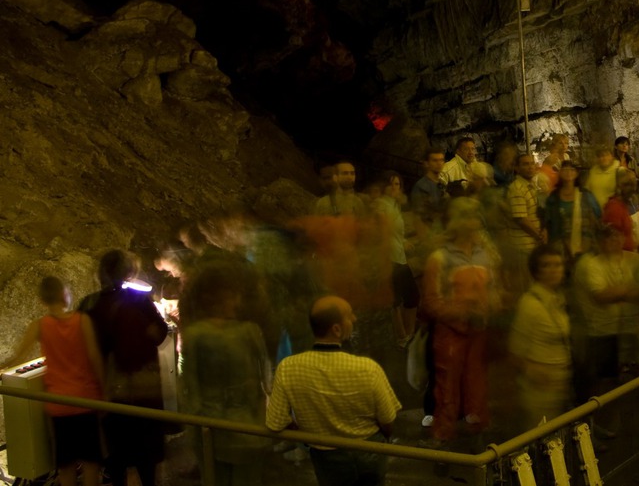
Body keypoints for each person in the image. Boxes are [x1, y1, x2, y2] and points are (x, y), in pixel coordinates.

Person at [266, 295, 401, 486]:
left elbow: (275, 422)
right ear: (336, 329)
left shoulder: (288, 367)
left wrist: (304, 427)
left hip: (325, 457)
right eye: (349, 315)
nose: (354, 319)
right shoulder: (368, 368)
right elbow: (388, 421)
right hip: (368, 451)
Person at [4, 277, 104, 486]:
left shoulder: (39, 326)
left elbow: (18, 357)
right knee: (91, 463)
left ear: (42, 300)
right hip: (85, 400)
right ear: (64, 294)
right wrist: (105, 389)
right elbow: (95, 357)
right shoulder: (82, 321)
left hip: (58, 405)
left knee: (65, 466)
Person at [81, 250, 169, 486]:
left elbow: (85, 349)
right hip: (144, 390)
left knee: (116, 456)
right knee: (147, 458)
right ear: (129, 272)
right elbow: (160, 334)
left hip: (108, 392)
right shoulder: (139, 300)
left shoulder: (89, 304)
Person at [182, 269, 271, 486]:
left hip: (210, 425)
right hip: (244, 425)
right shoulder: (249, 331)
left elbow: (190, 384)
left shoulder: (195, 333)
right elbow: (264, 378)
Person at [422, 198, 500, 442]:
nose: (472, 221)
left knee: (477, 386)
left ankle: (478, 437)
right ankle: (442, 437)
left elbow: (493, 289)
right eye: (466, 216)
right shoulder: (440, 258)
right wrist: (465, 314)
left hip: (479, 331)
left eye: (475, 216)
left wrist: (491, 307)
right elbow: (432, 302)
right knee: (447, 389)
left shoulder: (485, 254)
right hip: (450, 334)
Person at [574, 225, 639, 435]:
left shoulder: (635, 260)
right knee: (600, 380)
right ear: (599, 241)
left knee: (616, 377)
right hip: (600, 331)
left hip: (625, 329)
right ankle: (592, 426)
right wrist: (631, 291)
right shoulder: (590, 264)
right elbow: (601, 295)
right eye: (607, 238)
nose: (612, 242)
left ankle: (604, 423)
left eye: (617, 237)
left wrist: (622, 293)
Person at [509, 245, 573, 429]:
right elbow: (515, 350)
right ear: (536, 270)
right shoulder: (530, 304)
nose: (554, 270)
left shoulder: (557, 298)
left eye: (558, 264)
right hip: (539, 388)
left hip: (559, 382)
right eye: (547, 265)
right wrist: (534, 371)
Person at [372, 170, 418, 346]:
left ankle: (407, 334)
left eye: (397, 184)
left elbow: (395, 230)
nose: (394, 187)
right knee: (398, 299)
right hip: (389, 257)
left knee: (409, 297)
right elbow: (382, 231)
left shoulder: (393, 204)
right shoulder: (381, 205)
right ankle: (402, 337)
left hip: (399, 255)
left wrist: (404, 240)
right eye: (391, 184)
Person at [541, 160, 601, 264]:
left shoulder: (586, 195)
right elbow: (548, 220)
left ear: (577, 173)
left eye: (572, 170)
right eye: (565, 169)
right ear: (560, 173)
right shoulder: (554, 197)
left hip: (584, 244)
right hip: (560, 246)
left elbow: (597, 215)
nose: (568, 172)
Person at [504, 153, 545, 298]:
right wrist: (539, 236)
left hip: (532, 244)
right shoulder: (517, 189)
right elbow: (520, 218)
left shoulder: (531, 186)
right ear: (517, 168)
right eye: (525, 164)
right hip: (523, 245)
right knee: (527, 286)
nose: (530, 167)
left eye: (531, 163)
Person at [602, 168, 639, 251]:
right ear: (618, 186)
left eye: (634, 183)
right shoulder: (614, 208)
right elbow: (613, 243)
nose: (633, 188)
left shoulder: (631, 201)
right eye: (628, 184)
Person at [410, 148, 447, 221]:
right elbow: (420, 215)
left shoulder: (442, 183)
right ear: (426, 163)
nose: (439, 163)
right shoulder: (422, 186)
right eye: (435, 160)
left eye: (441, 160)